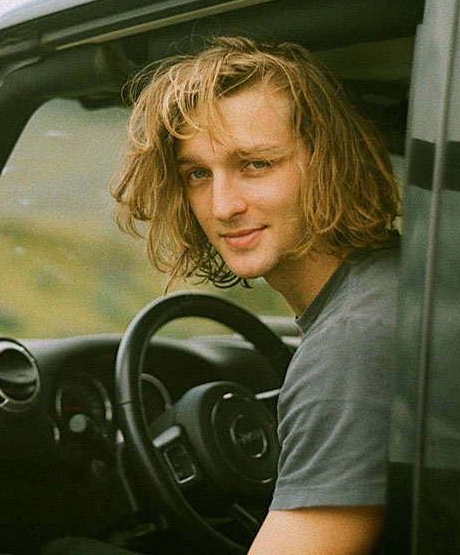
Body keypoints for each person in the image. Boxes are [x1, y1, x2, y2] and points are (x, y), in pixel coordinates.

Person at [47, 36, 401, 555]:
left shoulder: (351, 342)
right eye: (197, 174)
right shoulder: (390, 285)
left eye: (255, 164)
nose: (222, 206)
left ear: (329, 162)